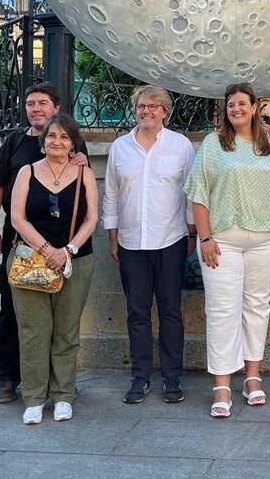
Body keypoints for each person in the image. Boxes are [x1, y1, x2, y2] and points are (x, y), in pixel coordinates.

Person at [184, 82, 270, 418]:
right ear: (226, 109)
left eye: (242, 104)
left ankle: (252, 376)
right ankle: (221, 383)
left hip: (265, 237)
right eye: (231, 104)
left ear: (254, 107)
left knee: (257, 306)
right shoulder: (213, 144)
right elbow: (198, 193)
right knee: (222, 309)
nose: (237, 109)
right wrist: (204, 238)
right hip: (223, 239)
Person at [0, 83, 87, 403]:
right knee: (12, 311)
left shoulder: (72, 144)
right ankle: (8, 375)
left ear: (56, 107)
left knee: (59, 321)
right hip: (20, 241)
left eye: (43, 103)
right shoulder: (14, 142)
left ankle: (57, 382)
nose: (36, 109)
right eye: (30, 104)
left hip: (63, 246)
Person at [102, 85, 196, 405]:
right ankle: (140, 377)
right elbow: (112, 194)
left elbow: (190, 193)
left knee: (171, 311)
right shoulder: (120, 147)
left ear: (165, 112)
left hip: (170, 239)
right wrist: (112, 236)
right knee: (137, 312)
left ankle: (172, 377)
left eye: (154, 107)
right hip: (131, 243)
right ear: (135, 109)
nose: (147, 111)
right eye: (142, 106)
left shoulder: (181, 146)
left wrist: (192, 234)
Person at [9, 113, 98, 425]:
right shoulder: (27, 171)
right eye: (51, 136)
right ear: (42, 141)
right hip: (31, 260)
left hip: (76, 260)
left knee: (66, 331)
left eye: (63, 137)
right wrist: (48, 251)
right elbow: (17, 218)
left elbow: (91, 219)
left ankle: (63, 395)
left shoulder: (83, 172)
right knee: (33, 331)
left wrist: (68, 251)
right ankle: (33, 396)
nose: (57, 142)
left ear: (72, 143)